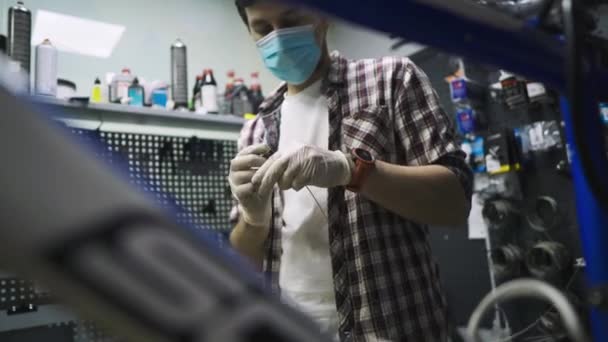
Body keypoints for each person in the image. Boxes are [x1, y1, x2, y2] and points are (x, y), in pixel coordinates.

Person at [228, 1, 473, 341]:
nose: (279, 39)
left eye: (292, 20)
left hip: (391, 327)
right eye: (264, 29)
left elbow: (455, 202)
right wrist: (253, 221)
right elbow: (244, 262)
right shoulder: (254, 131)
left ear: (323, 15)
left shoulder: (391, 80)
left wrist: (351, 170)